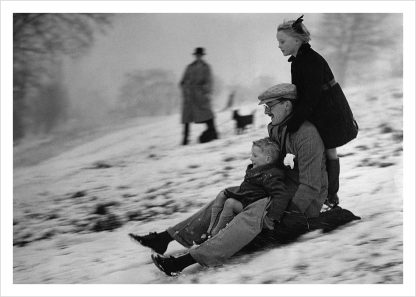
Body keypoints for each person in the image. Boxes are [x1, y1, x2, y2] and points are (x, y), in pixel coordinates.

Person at [129, 83, 327, 277]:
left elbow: (310, 186)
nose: (266, 112)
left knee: (253, 214)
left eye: (270, 106)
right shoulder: (277, 128)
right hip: (279, 186)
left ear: (287, 105)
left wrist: (287, 215)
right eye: (265, 107)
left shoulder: (306, 135)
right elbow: (274, 161)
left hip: (300, 201)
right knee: (229, 194)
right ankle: (166, 238)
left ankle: (183, 262)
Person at [276, 15, 358, 206]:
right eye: (278, 42)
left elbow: (311, 95)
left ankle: (332, 195)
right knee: (318, 151)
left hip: (330, 110)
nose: (279, 46)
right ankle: (320, 192)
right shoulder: (297, 60)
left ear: (297, 40)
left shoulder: (311, 60)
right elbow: (300, 93)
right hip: (317, 108)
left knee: (329, 151)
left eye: (282, 41)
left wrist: (295, 121)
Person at [204, 137, 289, 238]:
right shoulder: (257, 169)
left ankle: (216, 234)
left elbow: (282, 195)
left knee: (230, 203)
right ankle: (210, 229)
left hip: (252, 206)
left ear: (267, 159)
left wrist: (272, 218)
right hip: (246, 196)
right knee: (222, 194)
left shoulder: (270, 176)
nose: (251, 158)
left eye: (255, 156)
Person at [180, 47, 219, 145]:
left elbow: (209, 81)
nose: (198, 57)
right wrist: (186, 89)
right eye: (197, 55)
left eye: (200, 55)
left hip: (201, 95)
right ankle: (185, 139)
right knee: (187, 117)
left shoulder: (206, 67)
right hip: (190, 97)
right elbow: (182, 81)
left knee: (207, 114)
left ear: (202, 56)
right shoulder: (189, 67)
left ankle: (214, 133)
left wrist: (204, 91)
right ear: (195, 56)